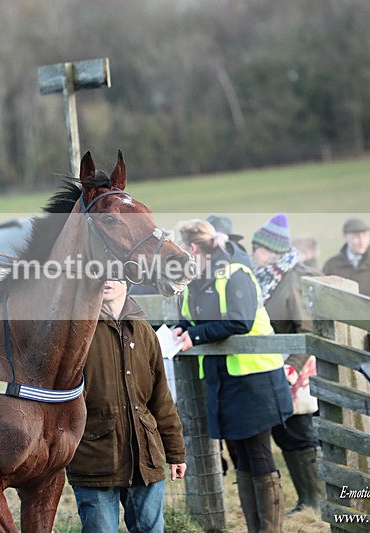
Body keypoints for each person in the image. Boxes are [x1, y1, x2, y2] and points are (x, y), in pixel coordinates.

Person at [172, 219, 292, 532]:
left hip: (255, 377)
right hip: (222, 379)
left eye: (181, 249)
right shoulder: (195, 280)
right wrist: (181, 330)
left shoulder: (236, 274)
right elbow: (192, 319)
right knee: (240, 455)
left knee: (258, 454)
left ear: (193, 248)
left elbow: (240, 321)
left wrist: (196, 337)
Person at [67, 279, 187, 533]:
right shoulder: (76, 328)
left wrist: (175, 452)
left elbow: (161, 398)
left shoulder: (144, 332)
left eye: (116, 273)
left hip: (145, 456)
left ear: (129, 281)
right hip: (93, 456)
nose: (107, 279)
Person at [250, 214, 325, 514]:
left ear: (272, 251)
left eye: (257, 248)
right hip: (274, 367)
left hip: (295, 369)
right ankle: (307, 498)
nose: (253, 254)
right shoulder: (268, 277)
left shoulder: (291, 280)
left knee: (299, 432)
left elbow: (305, 329)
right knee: (284, 432)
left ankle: (316, 500)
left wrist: (291, 368)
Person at [322, 217, 370, 300]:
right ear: (346, 237)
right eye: (357, 237)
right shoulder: (331, 265)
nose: (362, 242)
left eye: (365, 236)